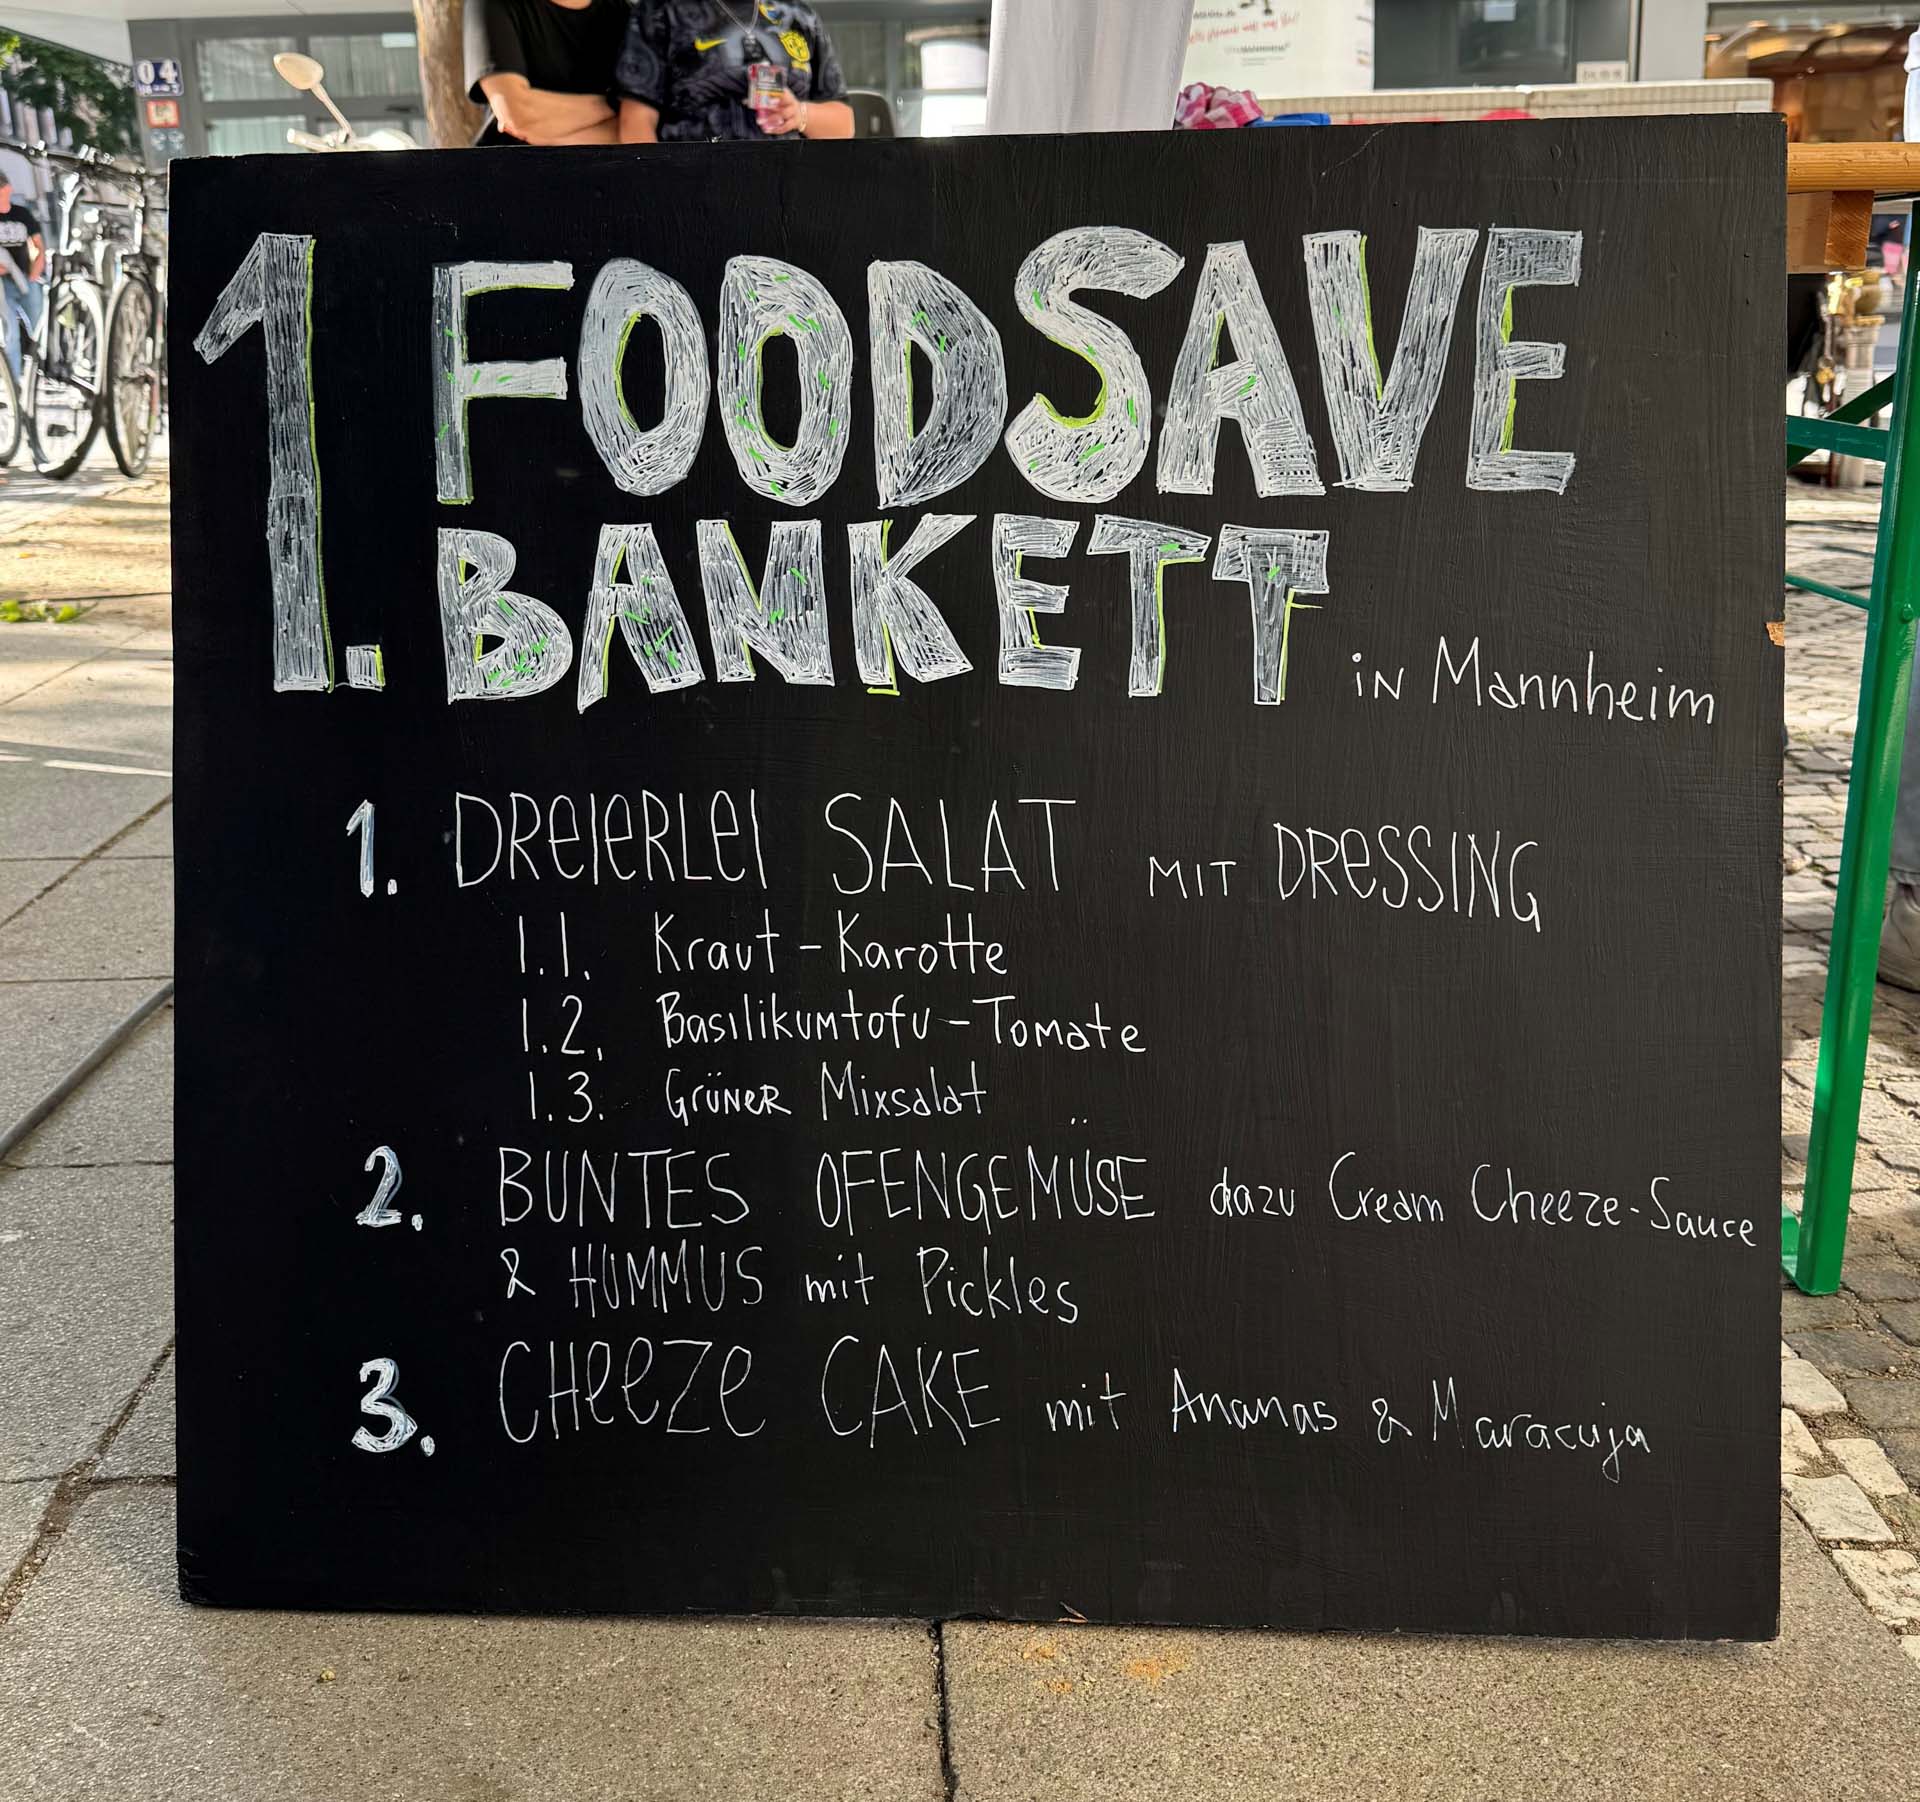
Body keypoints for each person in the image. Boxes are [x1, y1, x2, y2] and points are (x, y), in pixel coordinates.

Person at [616, 0, 852, 143]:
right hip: (691, 187)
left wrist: (799, 114)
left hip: (786, 188)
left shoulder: (800, 16)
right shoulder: (660, 11)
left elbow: (843, 125)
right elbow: (635, 122)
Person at [464, 0, 630, 146]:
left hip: (603, 168)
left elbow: (633, 132)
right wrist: (613, 105)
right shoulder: (493, 4)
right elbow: (519, 113)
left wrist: (551, 140)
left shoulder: (626, 16)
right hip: (508, 166)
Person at [0, 177, 45, 386]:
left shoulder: (22, 214)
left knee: (39, 326)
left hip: (26, 280)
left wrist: (35, 270)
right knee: (10, 333)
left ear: (7, 189)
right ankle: (14, 383)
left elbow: (38, 245)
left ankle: (41, 374)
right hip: (3, 285)